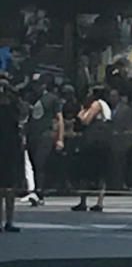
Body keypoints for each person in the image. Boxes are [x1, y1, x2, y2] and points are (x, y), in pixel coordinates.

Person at [24, 75, 63, 205]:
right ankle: (35, 190)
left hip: (45, 134)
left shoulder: (52, 99)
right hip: (32, 135)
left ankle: (39, 192)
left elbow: (59, 118)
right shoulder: (32, 98)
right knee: (34, 164)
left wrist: (60, 138)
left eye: (38, 85)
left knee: (40, 163)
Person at [72, 92, 113, 212]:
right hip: (95, 141)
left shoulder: (97, 104)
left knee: (97, 172)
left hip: (97, 142)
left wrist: (82, 112)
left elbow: (85, 120)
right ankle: (85, 201)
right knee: (87, 172)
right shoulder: (98, 106)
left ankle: (97, 202)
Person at [0, 76, 23, 232]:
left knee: (9, 188)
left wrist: (12, 93)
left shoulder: (13, 107)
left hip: (10, 149)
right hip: (6, 148)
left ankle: (9, 221)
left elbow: (22, 115)